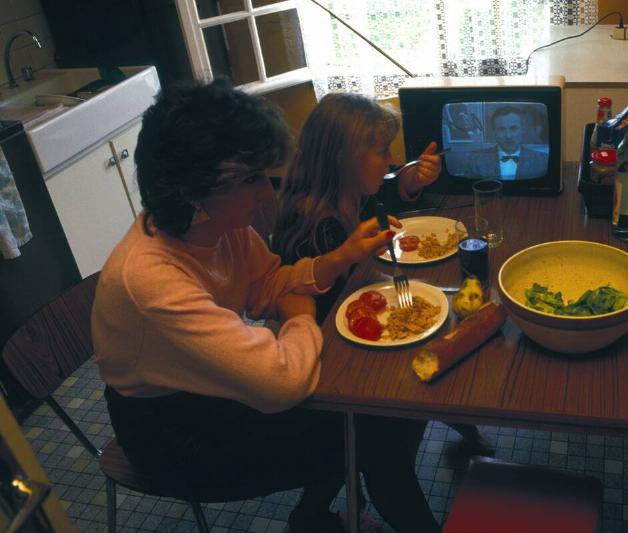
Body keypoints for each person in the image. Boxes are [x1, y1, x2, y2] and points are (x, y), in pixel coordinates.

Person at [91, 79, 440, 533]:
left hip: (208, 386)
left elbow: (271, 282)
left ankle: (312, 517)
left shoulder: (216, 225)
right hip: (175, 434)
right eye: (252, 179)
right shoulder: (150, 281)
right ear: (193, 190)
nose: (268, 194)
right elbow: (282, 382)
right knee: (371, 433)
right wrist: (300, 316)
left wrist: (334, 262)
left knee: (368, 419)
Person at [272, 92, 494, 455]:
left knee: (444, 331)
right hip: (336, 361)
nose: (390, 160)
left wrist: (412, 179)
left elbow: (388, 188)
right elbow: (318, 310)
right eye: (382, 151)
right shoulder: (309, 227)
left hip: (370, 322)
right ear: (344, 158)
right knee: (390, 448)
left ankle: (455, 417)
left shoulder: (349, 191)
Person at [465, 105, 548, 180]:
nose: (508, 136)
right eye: (501, 129)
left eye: (514, 128)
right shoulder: (476, 160)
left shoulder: (542, 160)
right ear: (494, 132)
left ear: (523, 130)